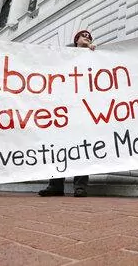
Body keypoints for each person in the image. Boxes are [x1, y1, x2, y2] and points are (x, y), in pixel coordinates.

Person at [38, 29, 95, 197]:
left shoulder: (94, 55)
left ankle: (80, 186)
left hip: (83, 107)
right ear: (76, 39)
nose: (87, 38)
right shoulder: (64, 56)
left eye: (89, 37)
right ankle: (55, 185)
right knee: (59, 145)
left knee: (83, 146)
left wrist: (93, 52)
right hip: (63, 107)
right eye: (84, 36)